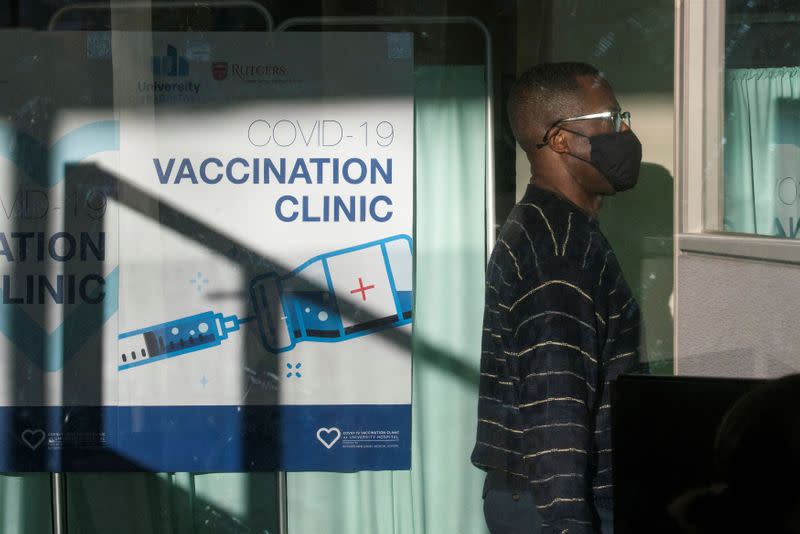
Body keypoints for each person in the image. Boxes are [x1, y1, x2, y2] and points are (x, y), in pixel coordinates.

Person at [471, 62, 644, 534]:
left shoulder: (552, 228)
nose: (624, 132)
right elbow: (555, 406)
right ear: (562, 139)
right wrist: (569, 523)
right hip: (561, 506)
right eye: (611, 119)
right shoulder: (558, 251)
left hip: (541, 499)